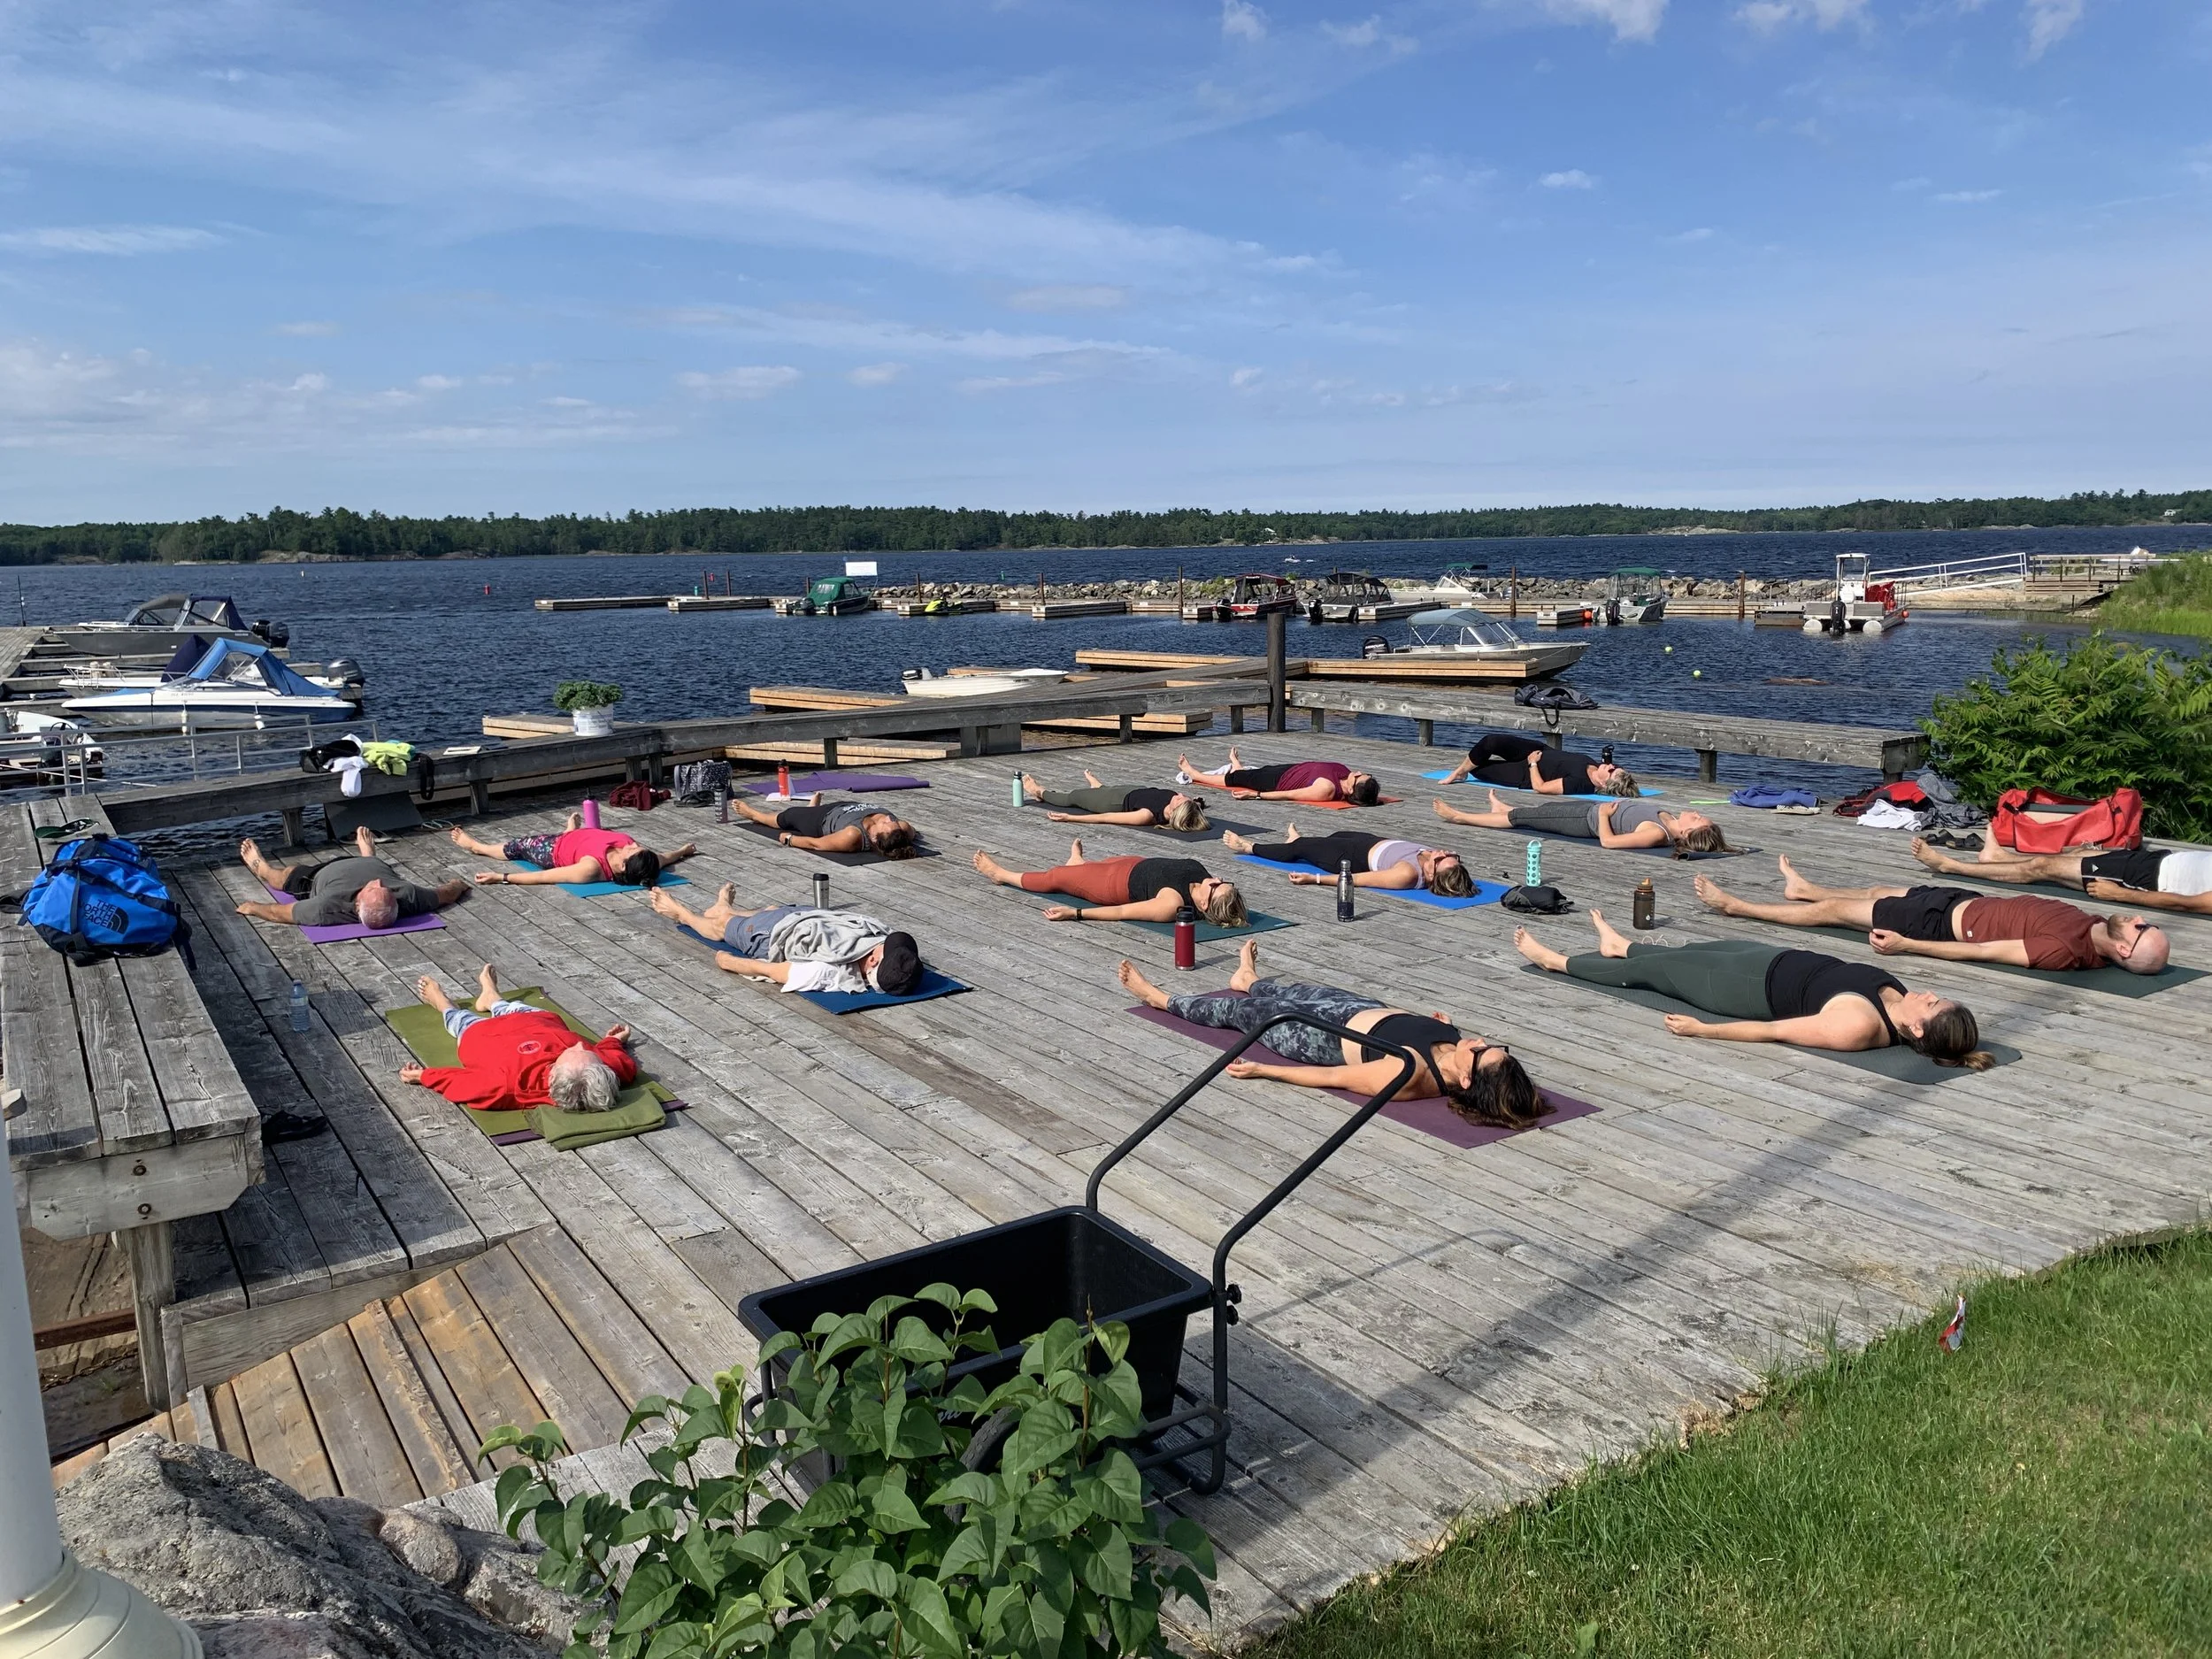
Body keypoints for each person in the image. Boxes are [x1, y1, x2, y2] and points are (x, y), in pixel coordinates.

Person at [1120, 940, 1544, 1127]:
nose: (1481, 1042)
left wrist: (1267, 1071)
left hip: (1318, 1036)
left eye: (1482, 1052)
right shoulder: (1454, 1049)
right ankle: (1247, 976)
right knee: (1295, 989)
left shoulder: (1411, 1074)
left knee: (1239, 1012)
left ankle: (1162, 999)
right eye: (1493, 1046)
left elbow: (1335, 1078)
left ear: (1466, 1080)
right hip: (1359, 1009)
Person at [1514, 911, 1993, 1067]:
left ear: (1915, 1028)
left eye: (1933, 1005)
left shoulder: (1858, 1026)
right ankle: (1622, 945)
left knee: (1663, 971)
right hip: (1771, 960)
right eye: (1937, 997)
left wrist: (1706, 1031)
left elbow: (1777, 1032)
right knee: (1689, 947)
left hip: (1747, 990)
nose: (1930, 995)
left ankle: (1557, 962)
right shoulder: (1899, 1001)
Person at [399, 964, 638, 1111]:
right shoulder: (611, 1069)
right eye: (588, 1049)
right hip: (536, 1022)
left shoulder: (506, 1088)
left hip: (484, 1034)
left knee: (460, 1020)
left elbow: (460, 1083)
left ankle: (443, 1004)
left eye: (574, 1051)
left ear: (553, 1074)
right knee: (519, 1009)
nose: (578, 1043)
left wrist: (425, 1076)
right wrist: (613, 1040)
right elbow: (615, 1055)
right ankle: (493, 998)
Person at [652, 885, 925, 994]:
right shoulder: (888, 957)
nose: (882, 939)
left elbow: (772, 970)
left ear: (874, 959)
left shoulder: (828, 971)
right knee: (769, 910)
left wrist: (729, 962)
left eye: (883, 946)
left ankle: (681, 912)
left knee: (722, 927)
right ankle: (726, 908)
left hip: (772, 936)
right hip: (808, 918)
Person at [971, 839, 1248, 926]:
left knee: (1055, 877)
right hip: (1132, 864)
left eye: (1216, 886)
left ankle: (1002, 875)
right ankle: (1077, 865)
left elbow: (1122, 913)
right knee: (1083, 868)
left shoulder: (1172, 904)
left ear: (1203, 903)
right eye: (1223, 881)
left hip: (1111, 885)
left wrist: (1075, 913)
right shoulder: (1201, 876)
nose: (1217, 879)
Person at [1913, 835, 2212, 916]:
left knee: (2044, 867)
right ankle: (1999, 858)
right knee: (2073, 857)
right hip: (2159, 860)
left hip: (2148, 881)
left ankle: (1950, 866)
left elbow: (2190, 904)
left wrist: (2121, 895)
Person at [234, 826, 467, 927]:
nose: (377, 882)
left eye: (374, 888)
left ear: (357, 905)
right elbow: (445, 894)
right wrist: (459, 884)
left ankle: (261, 866)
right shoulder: (408, 896)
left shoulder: (326, 907)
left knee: (282, 876)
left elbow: (278, 912)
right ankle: (368, 854)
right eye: (383, 888)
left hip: (316, 877)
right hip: (368, 863)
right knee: (375, 867)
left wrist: (253, 907)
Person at [1432, 789, 1734, 857]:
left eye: (1698, 817)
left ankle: (1461, 817)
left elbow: (1609, 842)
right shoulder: (1667, 821)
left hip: (1585, 821)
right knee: (1541, 810)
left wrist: (1603, 816)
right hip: (1589, 810)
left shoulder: (1657, 834)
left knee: (1522, 820)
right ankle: (1504, 807)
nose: (1693, 812)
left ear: (1691, 830)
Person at [1220, 825, 1478, 897]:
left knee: (1300, 849)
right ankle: (1301, 841)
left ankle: (1250, 846)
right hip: (1368, 840)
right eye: (1450, 856)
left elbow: (1356, 879)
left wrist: (1316, 879)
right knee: (1332, 835)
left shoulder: (1407, 874)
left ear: (1431, 876)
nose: (1442, 853)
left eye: (1441, 859)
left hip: (1350, 858)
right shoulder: (1439, 861)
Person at [449, 814, 695, 888]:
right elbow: (662, 860)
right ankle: (570, 831)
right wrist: (682, 851)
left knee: (518, 846)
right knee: (581, 833)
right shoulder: (643, 860)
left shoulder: (590, 869)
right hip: (582, 839)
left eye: (632, 850)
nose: (632, 844)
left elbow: (544, 877)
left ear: (622, 866)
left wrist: (501, 877)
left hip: (553, 849)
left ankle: (477, 847)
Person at [1440, 733, 1639, 798]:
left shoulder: (1581, 784)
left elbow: (1541, 788)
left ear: (1604, 785)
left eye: (1611, 771)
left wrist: (1533, 764)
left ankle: (1465, 772)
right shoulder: (1599, 767)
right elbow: (1619, 777)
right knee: (1491, 742)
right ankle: (1458, 772)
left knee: (1479, 770)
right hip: (1539, 749)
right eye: (1613, 766)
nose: (1610, 766)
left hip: (1525, 773)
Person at [728, 794, 921, 859]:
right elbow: (905, 832)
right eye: (891, 821)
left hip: (821, 819)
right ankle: (810, 808)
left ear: (874, 838)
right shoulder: (903, 829)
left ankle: (755, 814)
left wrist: (789, 839)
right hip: (847, 807)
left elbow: (816, 844)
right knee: (803, 814)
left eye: (886, 824)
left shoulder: (852, 836)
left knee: (790, 815)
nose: (888, 818)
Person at [1177, 748, 1382, 806]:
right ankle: (1238, 767)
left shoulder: (1327, 789)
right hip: (1289, 770)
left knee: (1235, 780)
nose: (1357, 772)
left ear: (1353, 788)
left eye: (1360, 777)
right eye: (1364, 773)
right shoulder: (1344, 774)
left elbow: (1291, 795)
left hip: (1276, 783)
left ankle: (1195, 774)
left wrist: (1256, 795)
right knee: (1250, 772)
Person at [1021, 770, 1208, 832]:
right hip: (1133, 789)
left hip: (1112, 801)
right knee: (1103, 790)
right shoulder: (1187, 806)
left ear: (1175, 812)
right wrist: (1197, 804)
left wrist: (1070, 818)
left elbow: (1106, 817)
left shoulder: (1147, 815)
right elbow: (1193, 810)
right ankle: (1099, 788)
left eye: (1182, 801)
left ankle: (1040, 791)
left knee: (1073, 796)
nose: (1181, 796)